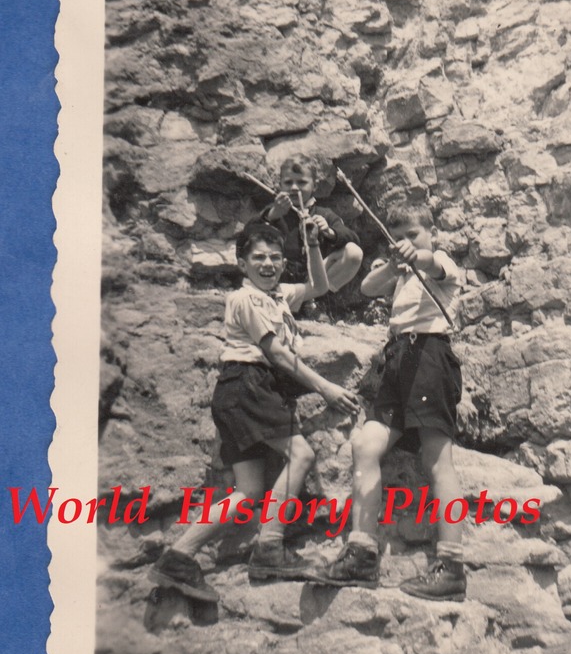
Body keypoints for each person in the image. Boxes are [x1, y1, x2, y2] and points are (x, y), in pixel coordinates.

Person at [150, 219, 358, 601]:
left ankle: (178, 555)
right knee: (302, 454)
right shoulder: (245, 299)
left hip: (237, 393)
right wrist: (326, 388)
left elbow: (320, 285)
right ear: (242, 263)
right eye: (258, 258)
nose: (268, 264)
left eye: (276, 258)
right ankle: (270, 548)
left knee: (247, 491)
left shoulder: (279, 296)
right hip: (248, 384)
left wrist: (312, 245)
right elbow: (276, 352)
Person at [318, 203, 467, 601]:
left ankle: (451, 565)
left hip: (430, 356)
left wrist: (415, 256)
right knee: (364, 445)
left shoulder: (442, 263)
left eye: (412, 234)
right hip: (397, 361)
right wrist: (394, 263)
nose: (404, 243)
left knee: (437, 458)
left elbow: (434, 264)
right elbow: (367, 287)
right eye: (396, 236)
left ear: (431, 231)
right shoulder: (399, 273)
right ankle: (362, 553)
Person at [259, 153, 363, 297]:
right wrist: (272, 216)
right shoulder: (274, 211)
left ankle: (313, 300)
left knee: (353, 252)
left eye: (301, 182)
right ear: (279, 185)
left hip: (315, 282)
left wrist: (329, 231)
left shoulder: (324, 213)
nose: (294, 188)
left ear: (315, 186)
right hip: (281, 280)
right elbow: (250, 234)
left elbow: (353, 238)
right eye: (288, 183)